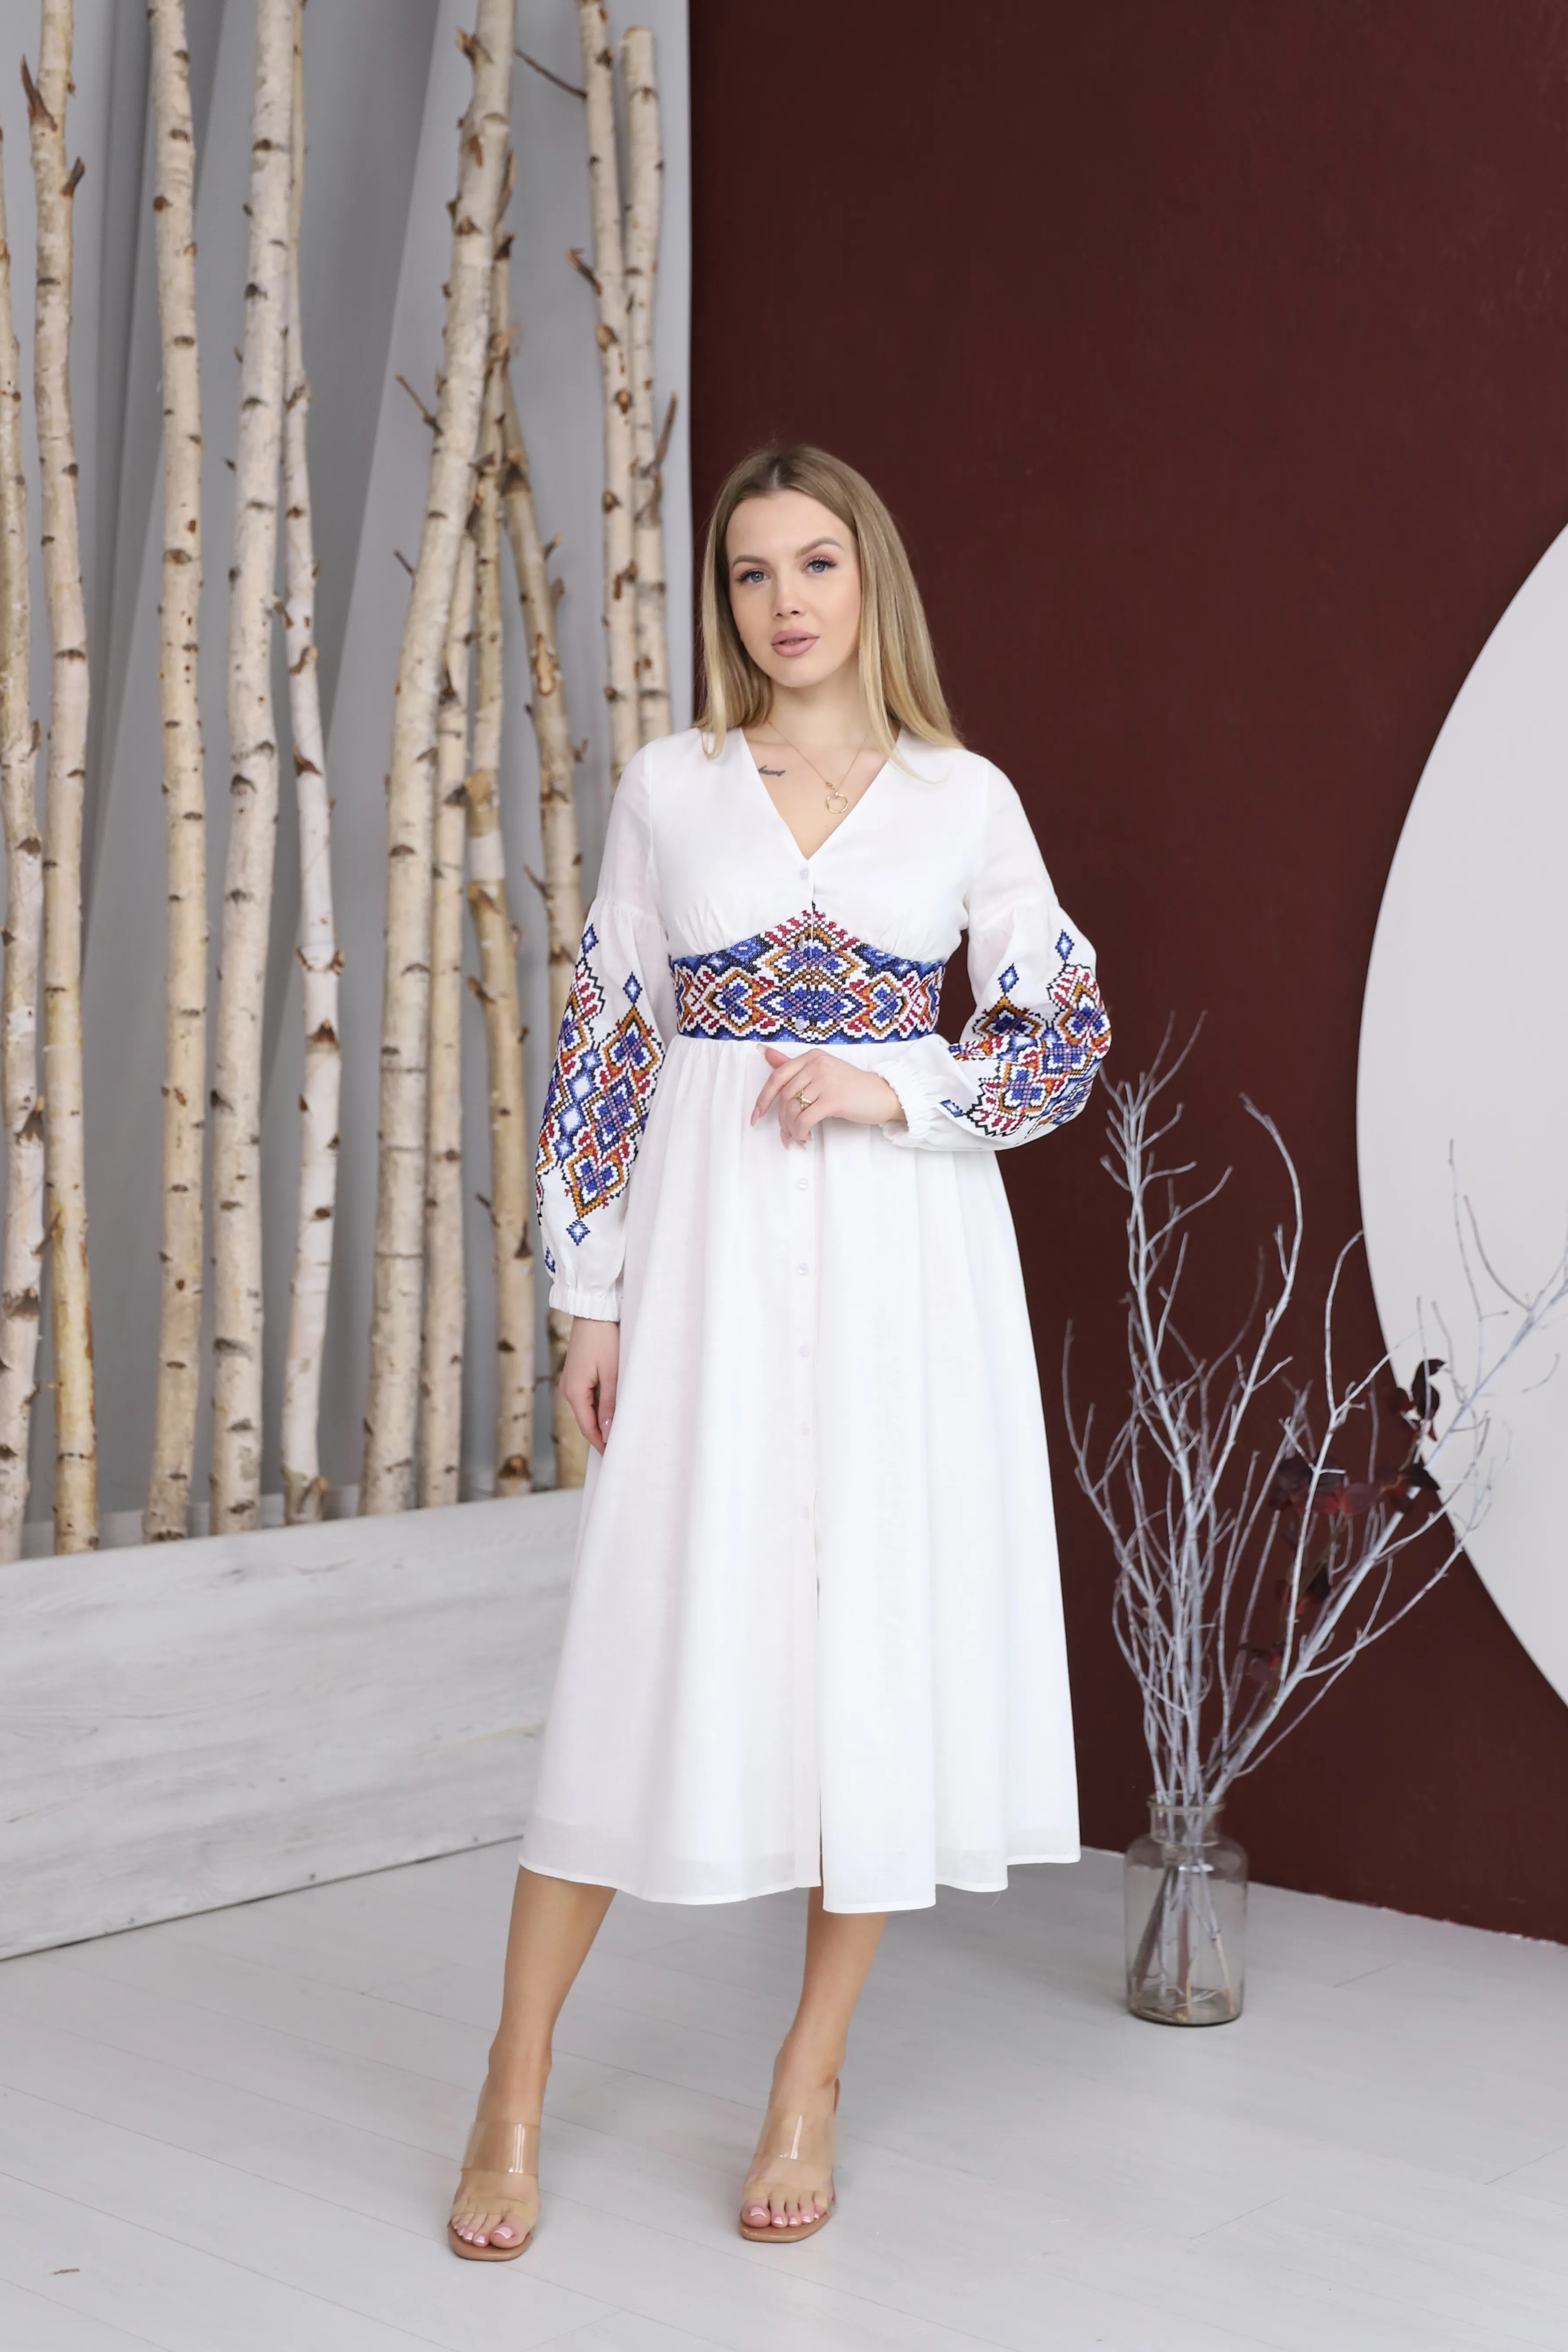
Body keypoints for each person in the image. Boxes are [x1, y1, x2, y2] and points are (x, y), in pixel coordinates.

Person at [447, 445, 1111, 2259]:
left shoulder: (963, 798)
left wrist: (899, 1085)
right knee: (637, 1642)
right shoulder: (674, 787)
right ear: (725, 601)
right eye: (750, 573)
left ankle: (808, 2072)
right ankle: (512, 2080)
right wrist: (590, 1296)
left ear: (868, 576)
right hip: (708, 1254)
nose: (785, 600)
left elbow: (1059, 1033)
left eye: (815, 563)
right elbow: (607, 1036)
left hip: (906, 1264)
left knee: (867, 1663)